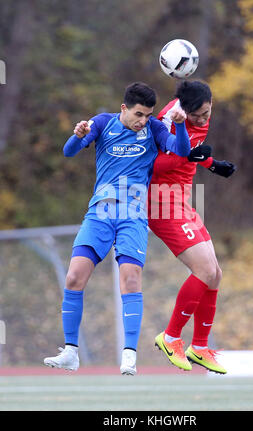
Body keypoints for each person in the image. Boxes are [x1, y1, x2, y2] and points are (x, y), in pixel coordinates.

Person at [43, 82, 199, 375]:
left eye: (148, 115)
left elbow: (181, 153)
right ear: (124, 108)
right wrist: (77, 136)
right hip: (99, 212)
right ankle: (71, 352)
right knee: (75, 276)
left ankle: (129, 354)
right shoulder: (103, 123)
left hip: (133, 215)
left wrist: (179, 127)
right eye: (139, 114)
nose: (143, 120)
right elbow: (68, 151)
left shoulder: (153, 129)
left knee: (130, 280)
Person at [148, 80, 236, 374]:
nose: (201, 119)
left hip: (181, 202)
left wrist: (211, 163)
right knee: (204, 270)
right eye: (195, 115)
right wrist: (187, 156)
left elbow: (194, 151)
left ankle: (199, 347)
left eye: (206, 113)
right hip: (162, 203)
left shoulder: (200, 113)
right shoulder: (169, 121)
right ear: (183, 110)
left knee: (215, 275)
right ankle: (170, 337)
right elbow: (154, 165)